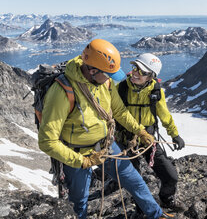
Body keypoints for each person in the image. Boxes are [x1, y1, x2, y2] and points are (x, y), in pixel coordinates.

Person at [38, 39, 173, 219]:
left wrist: (140, 131)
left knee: (135, 182)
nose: (111, 78)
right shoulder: (63, 91)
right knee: (78, 203)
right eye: (108, 73)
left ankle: (156, 215)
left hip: (106, 146)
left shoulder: (105, 83)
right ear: (92, 70)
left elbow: (119, 111)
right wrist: (82, 161)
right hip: (77, 154)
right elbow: (47, 141)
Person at [115, 53, 186, 212]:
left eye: (141, 71)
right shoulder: (121, 88)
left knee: (171, 177)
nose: (135, 73)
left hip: (148, 140)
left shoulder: (155, 92)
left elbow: (164, 115)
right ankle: (141, 208)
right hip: (126, 140)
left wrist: (174, 134)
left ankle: (166, 199)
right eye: (135, 68)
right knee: (135, 180)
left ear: (151, 76)